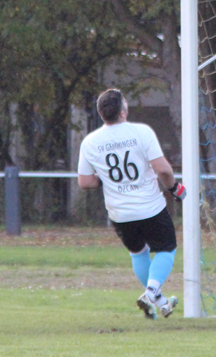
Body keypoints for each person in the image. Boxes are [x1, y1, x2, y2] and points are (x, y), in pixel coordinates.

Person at [77, 89, 186, 319]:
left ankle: (161, 302)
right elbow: (164, 170)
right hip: (150, 207)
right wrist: (174, 188)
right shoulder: (141, 132)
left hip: (119, 213)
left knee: (138, 253)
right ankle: (152, 292)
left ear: (101, 113)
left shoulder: (90, 141)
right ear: (123, 110)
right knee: (166, 249)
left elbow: (85, 182)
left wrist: (106, 180)